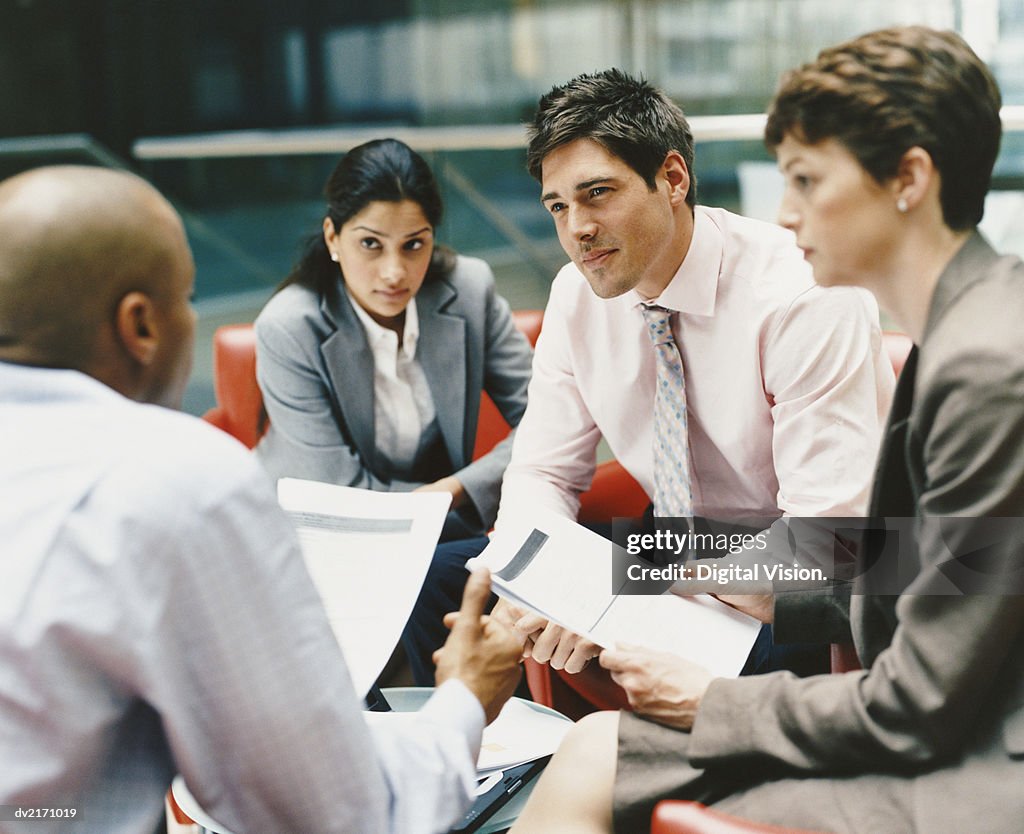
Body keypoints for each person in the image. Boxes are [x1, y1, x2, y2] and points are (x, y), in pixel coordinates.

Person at [510, 26, 1024, 834]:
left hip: (963, 753)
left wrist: (711, 697)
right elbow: (920, 563)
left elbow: (859, 584)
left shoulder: (986, 365)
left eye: (807, 180)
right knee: (587, 747)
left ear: (909, 180)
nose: (783, 211)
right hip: (825, 622)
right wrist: (615, 577)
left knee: (595, 764)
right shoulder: (969, 330)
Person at [0, 164, 523, 834]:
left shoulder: (473, 290)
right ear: (141, 326)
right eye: (187, 299)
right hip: (356, 532)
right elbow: (333, 812)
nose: (577, 229)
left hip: (667, 545)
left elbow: (552, 437)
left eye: (415, 243)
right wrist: (464, 702)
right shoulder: (180, 472)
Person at [492, 68, 895, 676]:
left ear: (672, 178)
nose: (576, 229)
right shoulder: (575, 295)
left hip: (811, 571)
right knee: (450, 586)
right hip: (672, 546)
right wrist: (535, 589)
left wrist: (632, 589)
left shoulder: (802, 296)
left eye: (597, 192)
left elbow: (825, 545)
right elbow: (542, 472)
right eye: (558, 205)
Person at [253, 138, 533, 683]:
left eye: (414, 245)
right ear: (333, 239)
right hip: (322, 529)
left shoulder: (467, 290)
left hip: (435, 522)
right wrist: (449, 505)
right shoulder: (290, 326)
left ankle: (482, 733)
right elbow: (339, 490)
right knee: (462, 568)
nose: (394, 272)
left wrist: (452, 489)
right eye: (371, 244)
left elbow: (549, 424)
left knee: (518, 560)